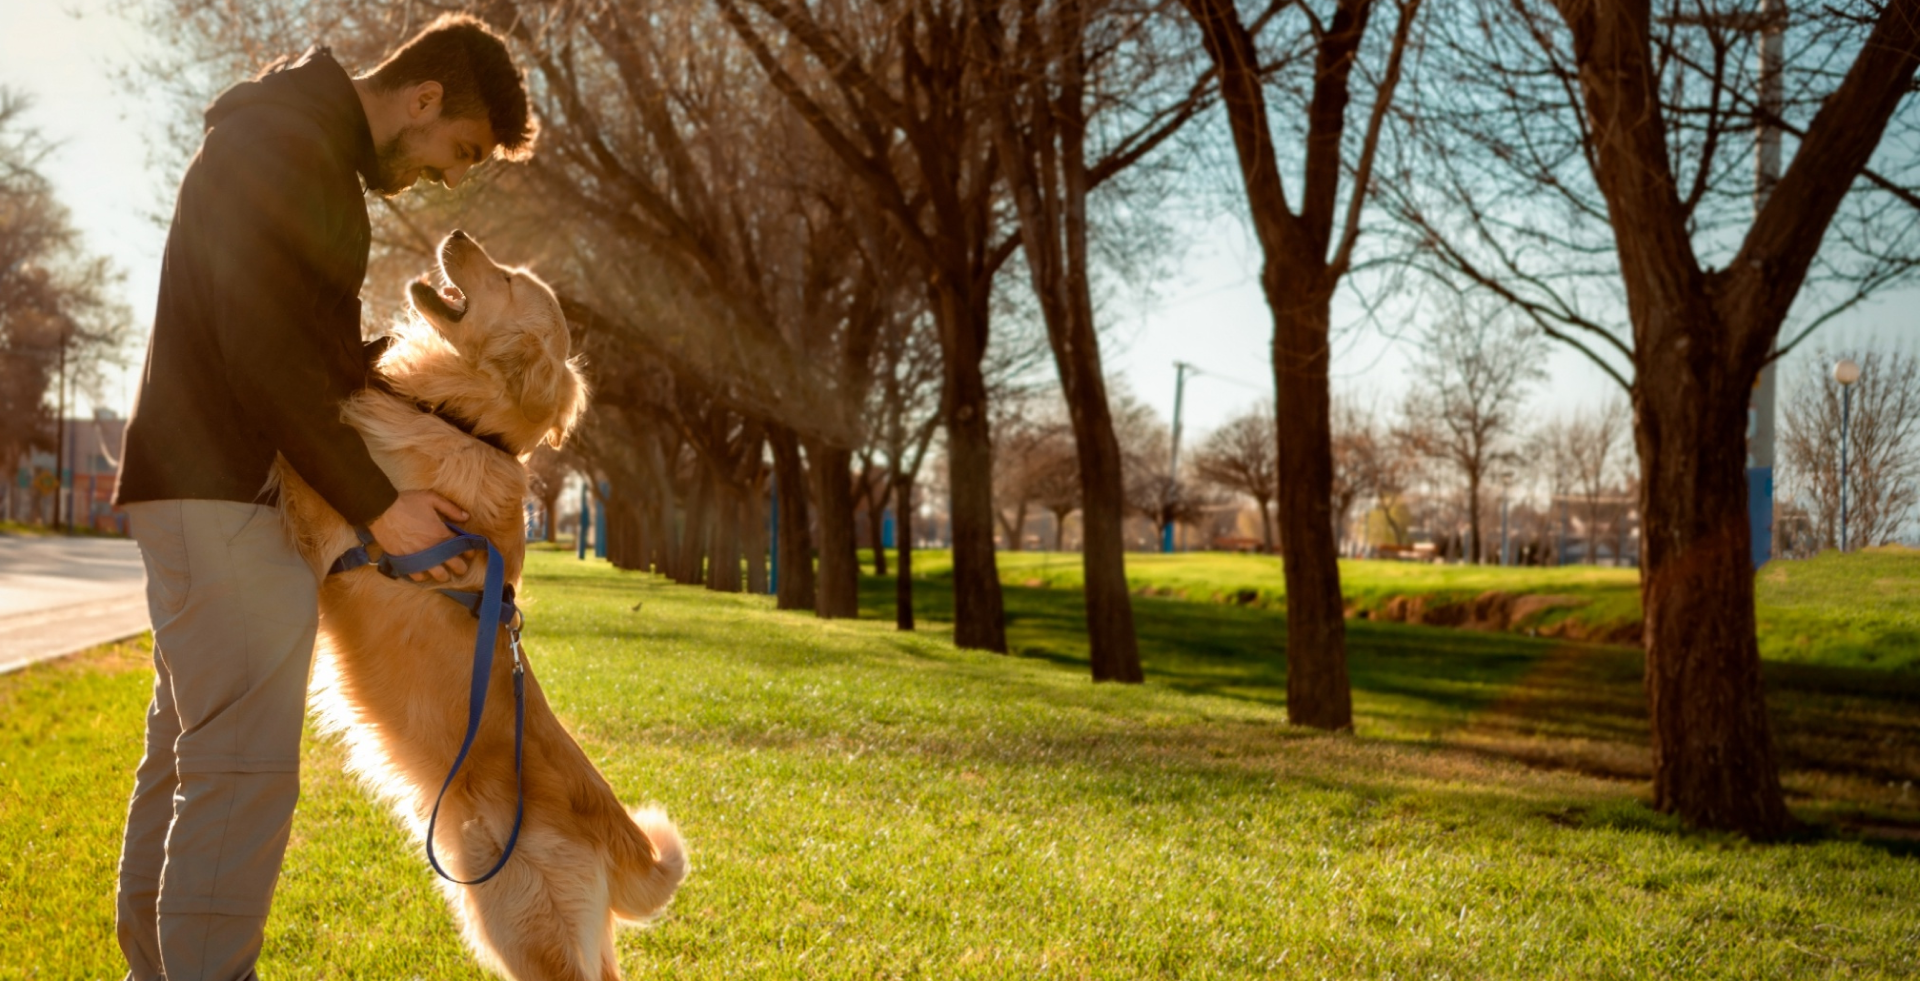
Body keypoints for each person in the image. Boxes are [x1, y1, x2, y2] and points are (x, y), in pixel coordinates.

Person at [110, 15, 536, 980]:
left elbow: (307, 356)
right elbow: (262, 353)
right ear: (423, 99)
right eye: (461, 150)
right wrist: (380, 503)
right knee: (240, 775)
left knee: (189, 759)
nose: (448, 177)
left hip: (211, 487)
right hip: (226, 490)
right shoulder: (287, 147)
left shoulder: (298, 144)